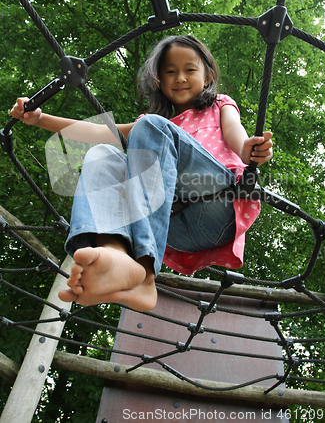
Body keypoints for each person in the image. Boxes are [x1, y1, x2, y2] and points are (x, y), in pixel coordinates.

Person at [10, 35, 273, 312]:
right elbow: (97, 132)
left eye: (189, 70)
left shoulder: (218, 105)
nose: (180, 77)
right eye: (170, 72)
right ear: (159, 80)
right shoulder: (153, 127)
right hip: (173, 228)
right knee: (101, 154)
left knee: (149, 126)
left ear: (207, 77)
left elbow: (235, 133)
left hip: (219, 202)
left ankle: (143, 271)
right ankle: (121, 260)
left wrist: (248, 150)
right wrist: (41, 119)